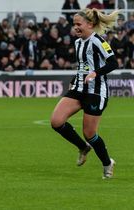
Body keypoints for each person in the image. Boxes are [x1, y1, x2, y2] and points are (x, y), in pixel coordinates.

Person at [50, 8, 119, 179]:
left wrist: (96, 73)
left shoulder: (99, 41)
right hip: (79, 89)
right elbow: (84, 66)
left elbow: (113, 63)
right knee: (56, 121)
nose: (75, 28)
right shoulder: (78, 42)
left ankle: (107, 163)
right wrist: (76, 78)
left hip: (95, 92)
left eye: (78, 24)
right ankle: (83, 147)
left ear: (90, 24)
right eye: (74, 25)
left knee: (90, 133)